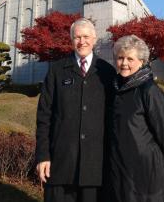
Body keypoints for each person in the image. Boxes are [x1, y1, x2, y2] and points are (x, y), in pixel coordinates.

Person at [36, 18, 116, 202]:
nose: (82, 41)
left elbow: (114, 119)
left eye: (86, 36)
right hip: (61, 162)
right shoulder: (57, 71)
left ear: (95, 39)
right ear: (71, 40)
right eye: (77, 37)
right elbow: (44, 116)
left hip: (95, 166)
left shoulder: (107, 72)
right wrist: (43, 155)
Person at [107, 34, 164, 202]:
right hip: (121, 176)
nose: (124, 63)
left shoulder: (149, 91)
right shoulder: (115, 89)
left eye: (130, 59)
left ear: (142, 62)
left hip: (148, 178)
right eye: (120, 58)